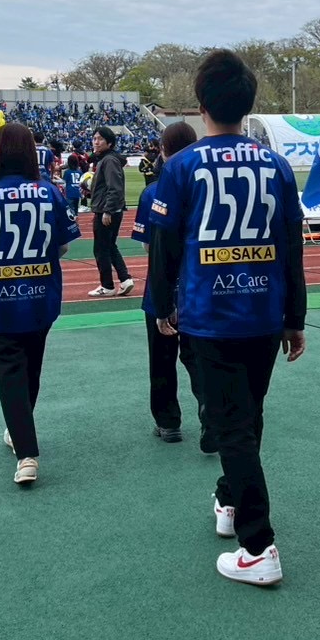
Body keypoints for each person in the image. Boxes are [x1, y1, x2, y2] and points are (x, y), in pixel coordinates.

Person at [148, 50, 307, 587]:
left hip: (210, 314)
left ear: (200, 104)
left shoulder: (182, 166)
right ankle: (229, 498)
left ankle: (258, 546)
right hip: (263, 312)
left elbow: (164, 249)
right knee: (246, 416)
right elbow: (292, 248)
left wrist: (163, 307)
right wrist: (295, 316)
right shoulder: (276, 165)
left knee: (231, 425)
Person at [0, 123, 81, 487]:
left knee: (10, 373)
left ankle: (27, 453)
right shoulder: (49, 192)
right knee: (30, 368)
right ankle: (19, 430)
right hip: (42, 295)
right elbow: (63, 246)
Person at [131, 121, 205, 446]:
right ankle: (210, 411)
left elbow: (150, 246)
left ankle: (168, 422)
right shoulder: (206, 186)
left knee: (161, 359)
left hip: (163, 287)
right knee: (198, 356)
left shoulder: (153, 192)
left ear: (163, 150)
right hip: (199, 286)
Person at [87, 126, 133, 297]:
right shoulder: (106, 160)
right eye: (94, 138)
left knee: (101, 249)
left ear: (110, 143)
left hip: (107, 211)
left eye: (100, 139)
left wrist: (107, 210)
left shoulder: (109, 161)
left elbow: (115, 187)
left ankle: (107, 286)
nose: (96, 142)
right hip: (107, 208)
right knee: (109, 246)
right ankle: (125, 279)